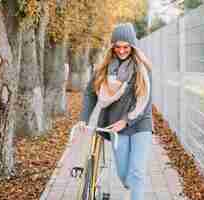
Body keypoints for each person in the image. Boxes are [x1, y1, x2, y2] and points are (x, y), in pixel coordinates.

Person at [76, 23, 152, 200]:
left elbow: (146, 102)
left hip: (140, 123)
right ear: (112, 47)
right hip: (116, 126)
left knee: (137, 172)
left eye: (126, 47)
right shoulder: (104, 68)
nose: (122, 51)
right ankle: (130, 186)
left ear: (132, 47)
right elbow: (90, 93)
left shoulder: (143, 68)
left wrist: (126, 120)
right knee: (124, 173)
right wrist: (84, 118)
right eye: (117, 46)